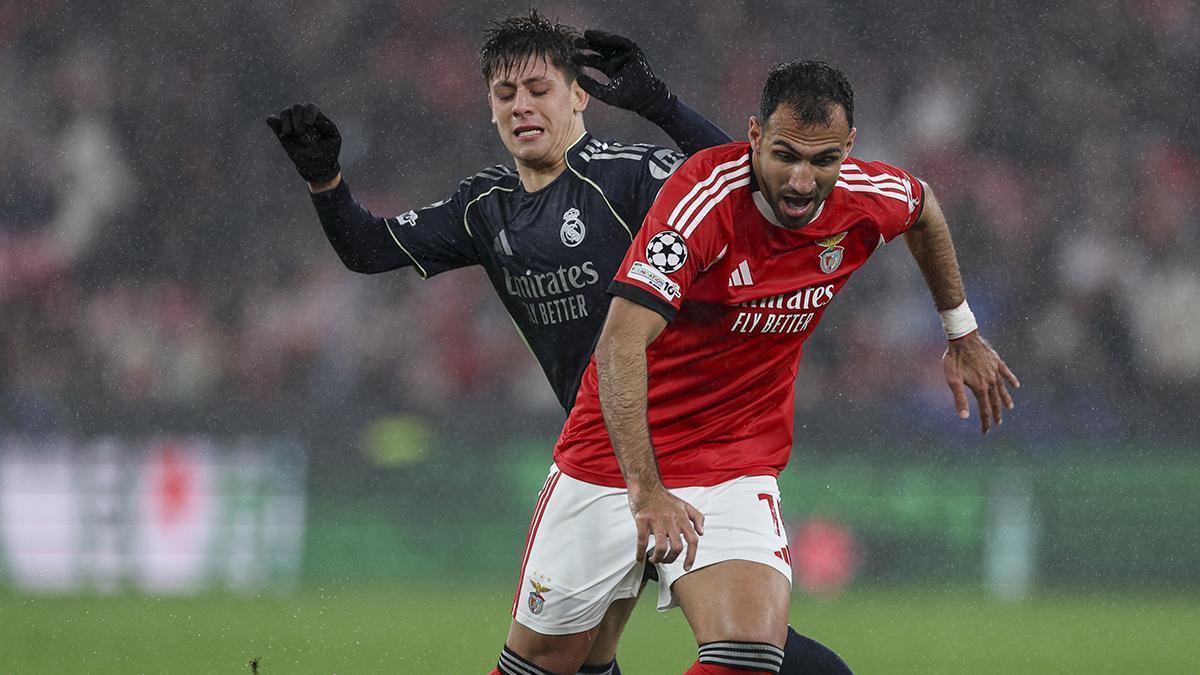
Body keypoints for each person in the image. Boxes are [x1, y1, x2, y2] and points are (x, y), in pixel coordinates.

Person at [267, 10, 850, 675]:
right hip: (601, 458)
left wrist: (663, 108)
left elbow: (749, 190)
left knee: (750, 650)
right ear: (489, 108)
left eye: (539, 88)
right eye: (505, 93)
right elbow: (368, 249)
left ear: (579, 95)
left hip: (694, 447)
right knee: (580, 660)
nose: (521, 106)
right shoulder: (483, 206)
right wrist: (326, 184)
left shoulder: (630, 176)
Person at [496, 60, 1020, 675]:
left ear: (848, 149)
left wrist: (961, 332)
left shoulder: (866, 197)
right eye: (785, 156)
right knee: (543, 667)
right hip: (614, 458)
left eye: (823, 161)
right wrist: (646, 490)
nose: (802, 180)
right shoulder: (703, 201)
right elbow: (618, 347)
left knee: (748, 656)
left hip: (733, 461)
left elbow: (923, 207)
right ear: (753, 136)